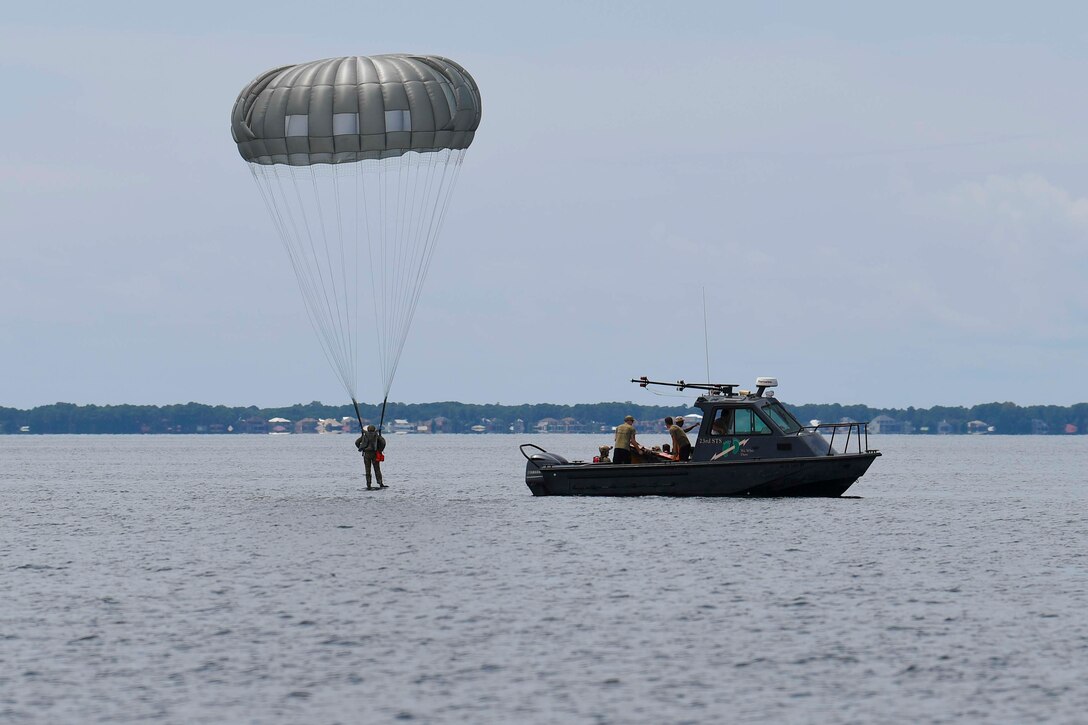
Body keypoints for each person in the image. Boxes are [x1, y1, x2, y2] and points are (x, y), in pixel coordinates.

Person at [354, 424, 387, 489]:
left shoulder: (364, 436)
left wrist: (361, 448)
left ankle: (368, 484)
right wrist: (380, 449)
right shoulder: (376, 436)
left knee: (367, 470)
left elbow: (356, 442)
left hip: (366, 454)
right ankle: (380, 483)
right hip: (375, 453)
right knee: (377, 469)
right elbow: (383, 443)